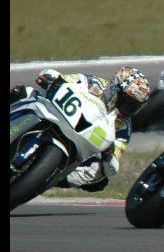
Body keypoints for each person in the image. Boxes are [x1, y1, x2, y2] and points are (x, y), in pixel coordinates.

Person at [10, 67, 150, 192]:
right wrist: (51, 78)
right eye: (128, 102)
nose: (128, 110)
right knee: (20, 92)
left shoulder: (124, 126)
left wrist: (109, 154)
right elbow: (65, 79)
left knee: (100, 178)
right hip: (54, 113)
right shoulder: (92, 83)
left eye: (134, 106)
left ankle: (44, 177)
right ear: (115, 88)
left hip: (77, 146)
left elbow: (114, 164)